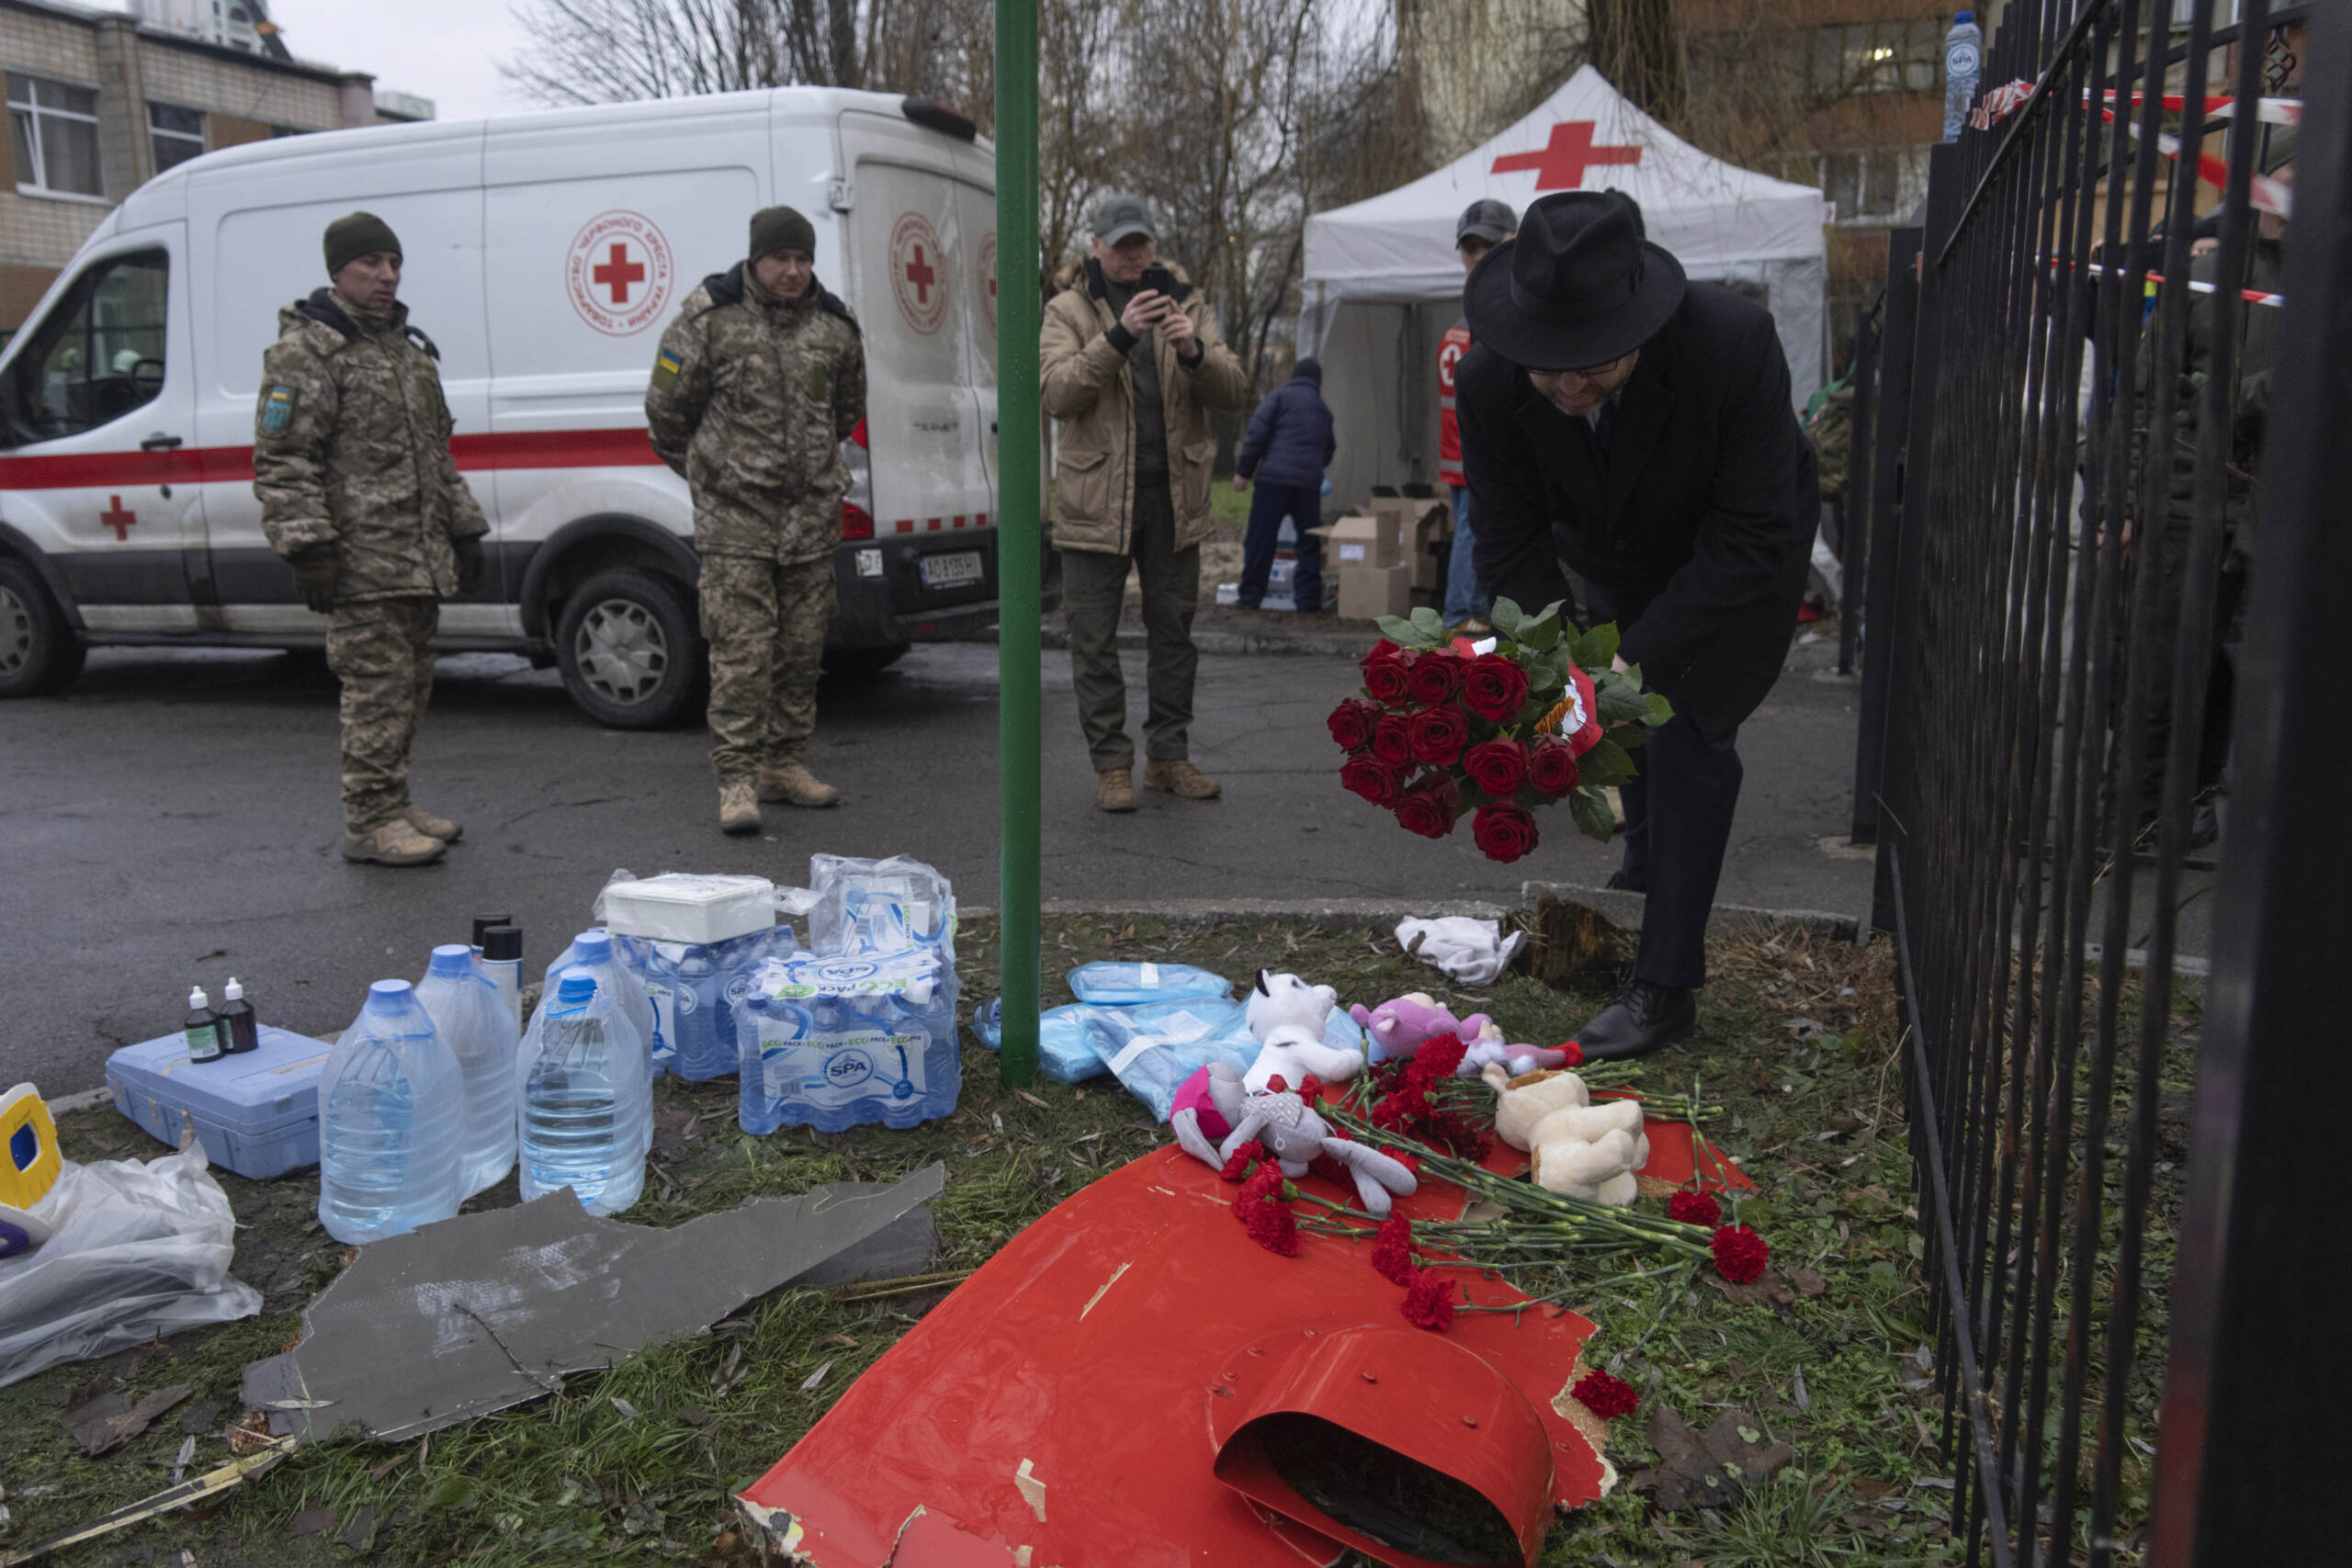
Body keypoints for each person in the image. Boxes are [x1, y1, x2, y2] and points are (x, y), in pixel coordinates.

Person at [1458, 192, 1817, 1059]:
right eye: (1552, 369)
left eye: (1594, 366)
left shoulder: (1732, 345)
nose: (1571, 387)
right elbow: (1509, 543)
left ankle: (1665, 986)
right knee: (1614, 713)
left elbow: (1751, 534)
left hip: (1733, 553)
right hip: (1612, 546)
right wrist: (1549, 669)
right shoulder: (1488, 379)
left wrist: (1622, 665)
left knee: (1684, 721)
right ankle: (1646, 869)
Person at [254, 211, 489, 867]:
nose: (387, 276)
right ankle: (368, 821)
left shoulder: (407, 354)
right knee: (374, 694)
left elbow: (436, 457)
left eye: (394, 264)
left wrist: (465, 529)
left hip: (417, 557)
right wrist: (309, 547)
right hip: (359, 560)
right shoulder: (307, 353)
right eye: (371, 265)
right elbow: (283, 459)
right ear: (338, 272)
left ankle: (394, 800)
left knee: (409, 690)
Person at [647, 206, 866, 836]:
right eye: (781, 259)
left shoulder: (834, 325)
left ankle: (785, 764)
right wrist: (714, 475)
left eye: (803, 259)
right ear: (755, 259)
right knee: (742, 655)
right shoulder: (708, 319)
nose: (794, 271)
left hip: (811, 521)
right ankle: (737, 779)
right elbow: (665, 412)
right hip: (736, 525)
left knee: (800, 652)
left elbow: (847, 409)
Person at [1041, 192, 1251, 813]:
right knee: (1093, 639)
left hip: (1172, 499)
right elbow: (1057, 392)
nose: (1134, 256)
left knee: (1174, 634)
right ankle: (1112, 765)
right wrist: (1118, 335)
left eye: (1143, 244)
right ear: (1097, 248)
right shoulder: (1068, 309)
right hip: (1093, 501)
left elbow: (1235, 388)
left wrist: (1193, 351)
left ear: (1154, 247)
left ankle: (1167, 756)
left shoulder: (1187, 303)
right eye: (1122, 245)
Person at [1440, 198, 1517, 631]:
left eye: (1487, 245)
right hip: (1475, 457)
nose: (1477, 257)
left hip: (1462, 457)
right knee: (1473, 533)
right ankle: (1465, 612)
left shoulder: (1461, 327)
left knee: (1469, 533)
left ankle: (1464, 611)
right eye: (1470, 248)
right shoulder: (1477, 328)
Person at [1232, 356, 1336, 612]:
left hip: (1273, 481)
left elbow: (1257, 433)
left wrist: (1243, 472)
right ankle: (1308, 601)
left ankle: (1250, 598)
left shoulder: (1278, 397)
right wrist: (1314, 469)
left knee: (1261, 539)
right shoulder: (1323, 409)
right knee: (1308, 542)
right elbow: (1329, 449)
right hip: (1307, 487)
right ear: (1317, 382)